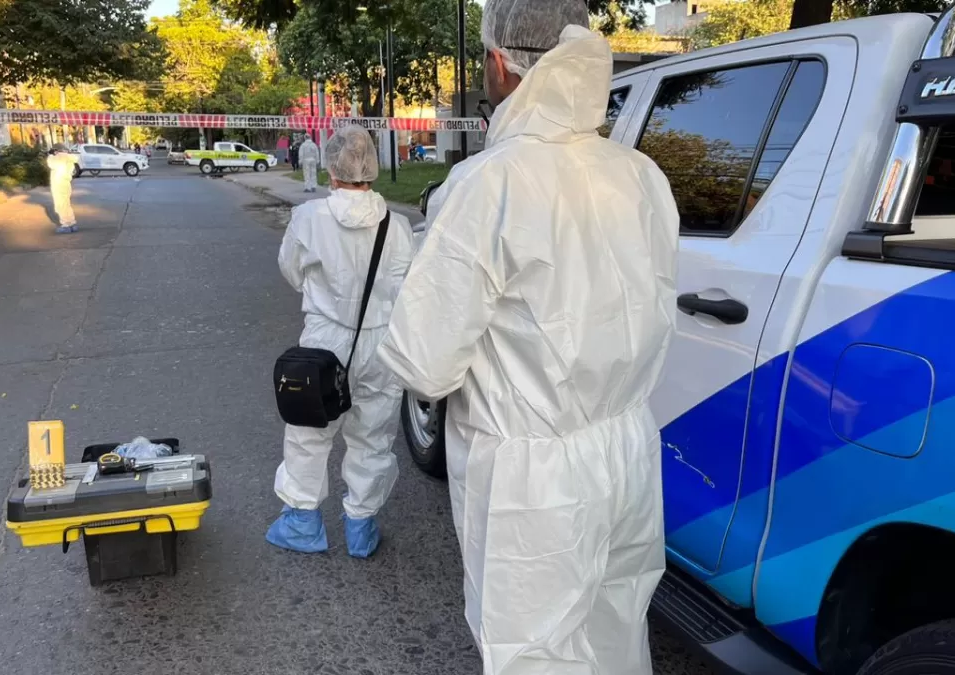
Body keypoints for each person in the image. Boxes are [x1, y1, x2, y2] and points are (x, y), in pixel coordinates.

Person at [376, 0, 679, 671]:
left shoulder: (489, 184)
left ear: (500, 63)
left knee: (532, 655)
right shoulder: (640, 176)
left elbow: (424, 364)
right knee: (616, 634)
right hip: (627, 447)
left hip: (531, 477)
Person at [267, 126, 415, 559]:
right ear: (373, 166)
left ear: (331, 167)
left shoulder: (310, 218)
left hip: (324, 342)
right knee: (373, 435)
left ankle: (302, 522)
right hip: (383, 340)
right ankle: (361, 527)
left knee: (309, 432)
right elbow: (409, 284)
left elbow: (291, 272)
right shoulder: (399, 225)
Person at [45, 144, 78, 234]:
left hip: (59, 183)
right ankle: (72, 223)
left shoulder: (58, 158)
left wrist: (50, 155)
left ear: (57, 151)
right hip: (66, 183)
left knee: (60, 205)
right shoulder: (69, 158)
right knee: (66, 204)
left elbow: (50, 163)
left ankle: (65, 225)